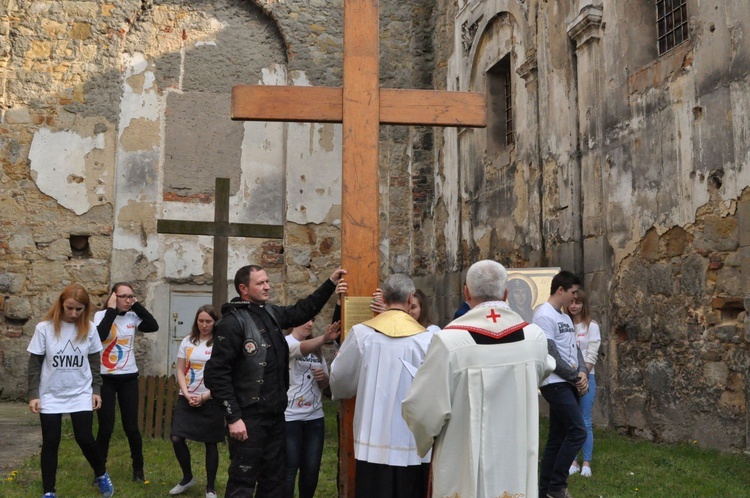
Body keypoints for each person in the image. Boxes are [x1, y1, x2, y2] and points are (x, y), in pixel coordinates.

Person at [402, 260, 555, 498]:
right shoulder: (534, 337)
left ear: (466, 292)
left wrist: (426, 435)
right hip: (515, 454)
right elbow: (545, 368)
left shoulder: (448, 341)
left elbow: (422, 409)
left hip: (461, 456)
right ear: (506, 293)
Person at [204, 264, 346, 498]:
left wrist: (330, 283)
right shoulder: (231, 323)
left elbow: (302, 311)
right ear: (244, 288)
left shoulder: (269, 312)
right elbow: (216, 374)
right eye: (260, 283)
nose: (267, 286)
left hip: (276, 415)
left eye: (267, 281)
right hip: (248, 418)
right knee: (243, 481)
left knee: (274, 482)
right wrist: (234, 418)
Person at [329, 274, 434, 498]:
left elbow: (340, 380)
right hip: (412, 438)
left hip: (373, 437)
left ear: (384, 298)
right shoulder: (427, 340)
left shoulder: (362, 334)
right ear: (410, 298)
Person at [27, 283, 115, 498]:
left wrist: (96, 390)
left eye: (79, 309)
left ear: (86, 309)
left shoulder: (90, 329)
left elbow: (95, 361)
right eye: (70, 308)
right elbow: (34, 364)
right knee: (51, 441)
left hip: (80, 393)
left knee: (85, 438)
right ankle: (49, 491)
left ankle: (101, 475)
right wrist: (34, 395)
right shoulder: (44, 328)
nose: (74, 313)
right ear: (61, 305)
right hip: (50, 394)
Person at [94, 282, 159, 482]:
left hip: (128, 377)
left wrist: (136, 305)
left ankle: (138, 470)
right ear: (113, 297)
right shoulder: (100, 316)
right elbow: (99, 336)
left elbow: (153, 325)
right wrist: (112, 310)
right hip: (105, 378)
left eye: (131, 296)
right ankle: (100, 472)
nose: (128, 300)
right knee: (106, 427)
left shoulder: (133, 316)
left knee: (132, 427)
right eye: (123, 296)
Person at [533, 270, 588, 498]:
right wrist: (575, 377)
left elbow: (575, 349)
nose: (575, 298)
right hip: (555, 382)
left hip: (569, 382)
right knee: (577, 431)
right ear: (560, 290)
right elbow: (550, 353)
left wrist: (583, 371)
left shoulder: (565, 317)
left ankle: (544, 490)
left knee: (557, 437)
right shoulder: (544, 315)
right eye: (572, 293)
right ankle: (557, 485)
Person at [169, 305, 224, 498]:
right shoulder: (187, 341)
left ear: (215, 322)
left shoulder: (220, 343)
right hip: (188, 397)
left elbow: (224, 376)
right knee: (176, 437)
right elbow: (180, 369)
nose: (204, 325)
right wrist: (185, 392)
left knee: (210, 443)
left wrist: (204, 397)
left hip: (210, 399)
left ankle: (210, 488)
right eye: (201, 321)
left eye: (208, 321)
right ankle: (187, 477)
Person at [284, 317, 341, 498]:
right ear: (294, 321)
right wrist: (325, 338)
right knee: (289, 467)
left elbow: (324, 384)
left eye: (313, 320)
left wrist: (322, 377)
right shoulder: (286, 342)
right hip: (290, 417)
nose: (310, 324)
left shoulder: (316, 349)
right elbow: (298, 349)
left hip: (315, 417)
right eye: (305, 320)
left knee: (311, 468)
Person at [566, 290, 601, 478]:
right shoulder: (564, 324)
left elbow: (592, 354)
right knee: (571, 421)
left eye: (577, 303)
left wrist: (583, 375)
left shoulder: (591, 326)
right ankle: (573, 460)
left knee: (585, 420)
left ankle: (586, 462)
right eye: (571, 302)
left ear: (583, 304)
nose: (573, 306)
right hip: (567, 378)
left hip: (588, 377)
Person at [371, 287, 440, 332]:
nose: (409, 311)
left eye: (413, 307)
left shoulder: (432, 330)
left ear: (422, 309)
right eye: (407, 306)